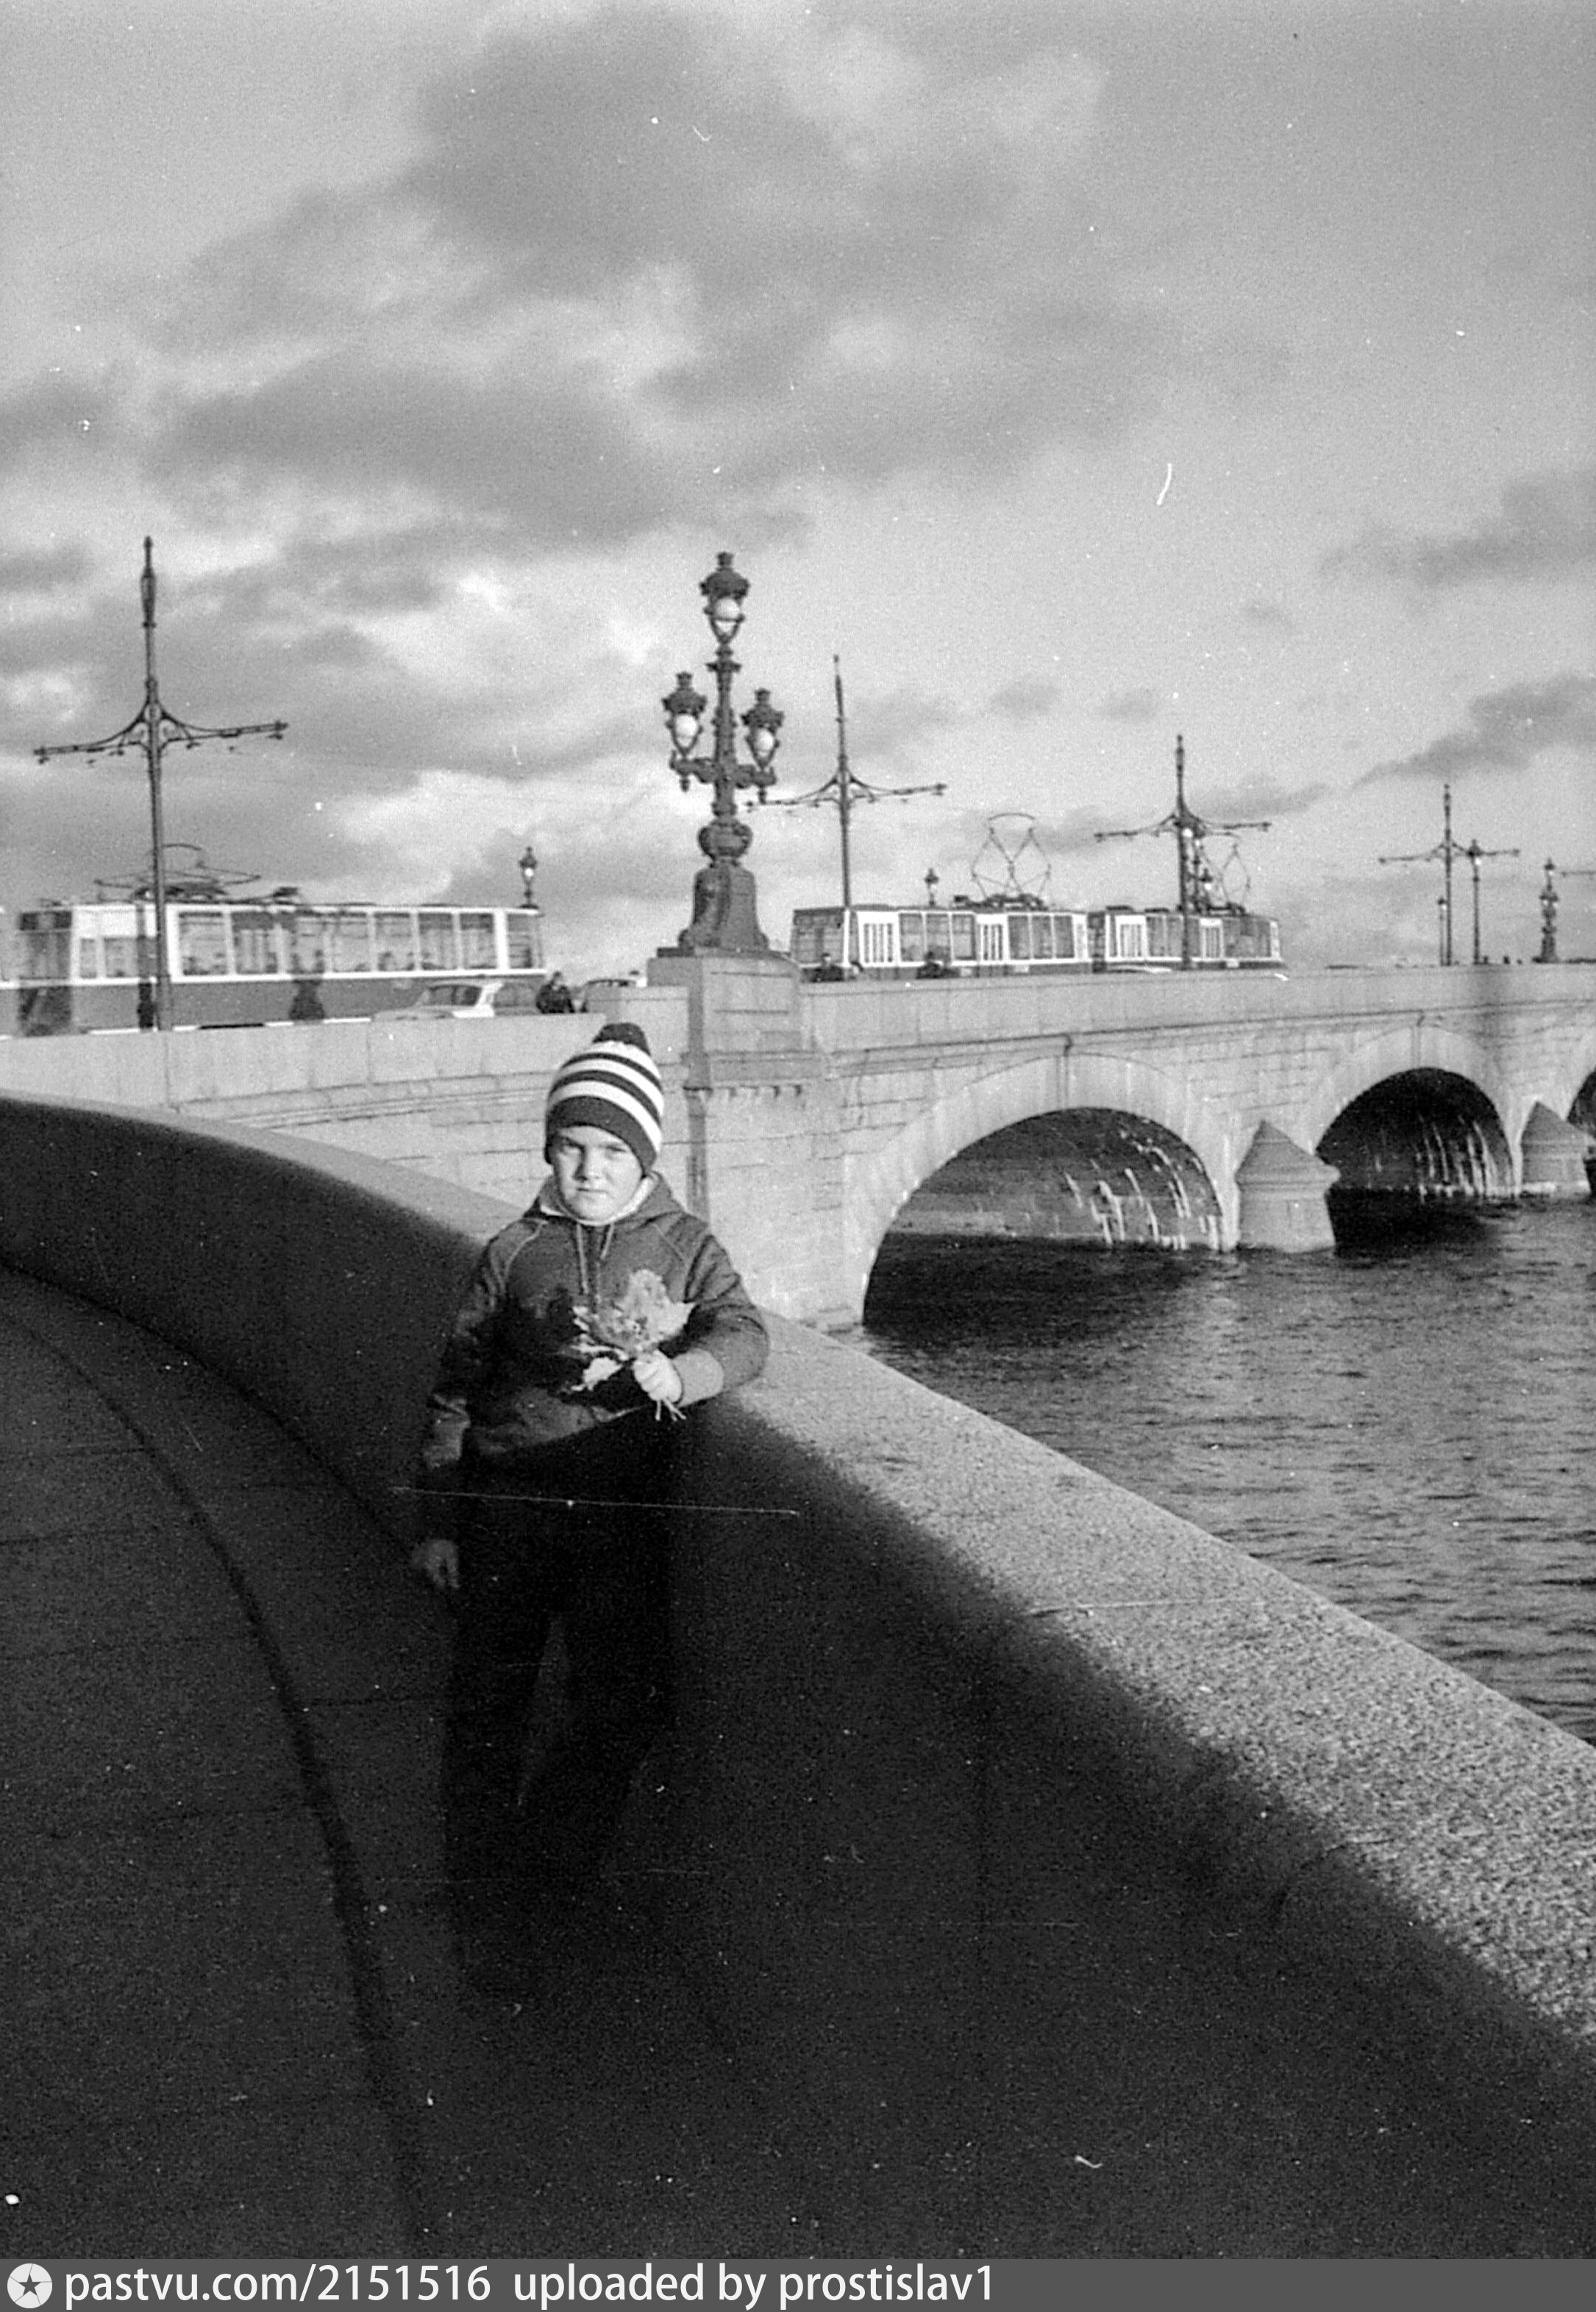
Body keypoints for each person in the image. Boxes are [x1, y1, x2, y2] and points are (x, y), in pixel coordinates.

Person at [411, 1020, 768, 1992]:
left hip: (617, 1513)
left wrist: (684, 1372)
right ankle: (484, 1908)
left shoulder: (686, 1247)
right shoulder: (513, 1251)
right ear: (548, 1152)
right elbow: (455, 1392)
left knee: (619, 1705)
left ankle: (537, 1881)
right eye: (571, 1147)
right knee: (487, 1707)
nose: (588, 1170)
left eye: (611, 1150)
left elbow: (744, 1333)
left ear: (644, 1157)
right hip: (509, 1508)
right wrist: (439, 1521)